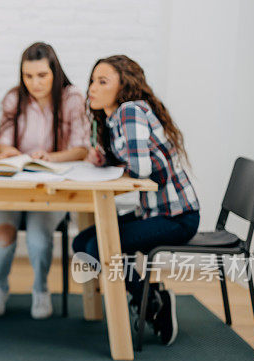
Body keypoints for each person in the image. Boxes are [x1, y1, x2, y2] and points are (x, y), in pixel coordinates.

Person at [73, 55, 200, 345]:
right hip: (151, 213)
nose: (92, 87)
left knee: (98, 245)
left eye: (102, 81)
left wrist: (112, 167)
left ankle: (150, 301)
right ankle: (149, 297)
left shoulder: (131, 111)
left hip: (177, 216)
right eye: (93, 80)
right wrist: (103, 158)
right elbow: (133, 161)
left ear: (124, 87)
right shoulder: (114, 117)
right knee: (82, 244)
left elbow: (140, 170)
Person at [0, 42, 90, 319]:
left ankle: (41, 289)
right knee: (3, 236)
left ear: (55, 72)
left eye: (42, 75)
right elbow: (3, 144)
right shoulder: (13, 98)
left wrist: (52, 157)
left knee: (38, 239)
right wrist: (11, 152)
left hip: (52, 186)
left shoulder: (72, 98)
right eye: (28, 76)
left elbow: (81, 149)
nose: (35, 83)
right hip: (14, 184)